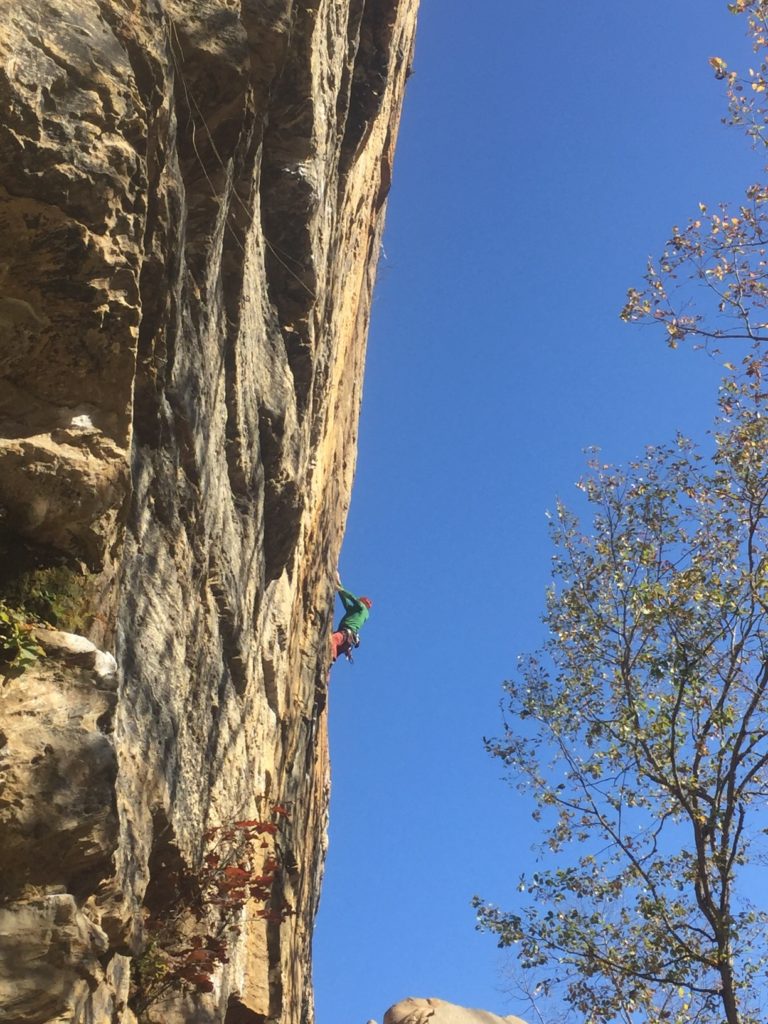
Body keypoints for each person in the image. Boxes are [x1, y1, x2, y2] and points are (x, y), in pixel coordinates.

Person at [331, 574, 372, 663]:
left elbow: (352, 598)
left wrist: (340, 589)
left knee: (332, 640)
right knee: (330, 647)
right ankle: (328, 668)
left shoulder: (363, 608)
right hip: (347, 640)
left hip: (346, 634)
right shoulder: (355, 611)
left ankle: (330, 661)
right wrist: (339, 584)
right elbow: (345, 601)